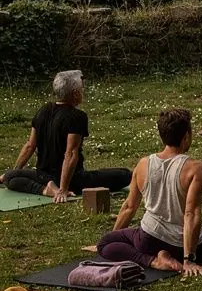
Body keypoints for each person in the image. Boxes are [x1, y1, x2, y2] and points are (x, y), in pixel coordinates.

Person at [98, 107, 202, 274]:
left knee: (105, 243)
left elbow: (129, 207)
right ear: (186, 136)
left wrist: (117, 237)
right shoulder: (197, 169)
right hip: (184, 245)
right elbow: (191, 214)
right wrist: (188, 260)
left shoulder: (143, 164)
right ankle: (160, 259)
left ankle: (152, 260)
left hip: (148, 240)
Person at [1, 71, 131, 202]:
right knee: (125, 174)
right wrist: (63, 189)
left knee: (11, 179)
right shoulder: (77, 117)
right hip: (73, 179)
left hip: (43, 176)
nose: (82, 92)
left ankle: (46, 190)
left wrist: (16, 172)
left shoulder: (43, 110)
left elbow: (30, 145)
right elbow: (70, 153)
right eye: (81, 89)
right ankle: (54, 189)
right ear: (75, 93)